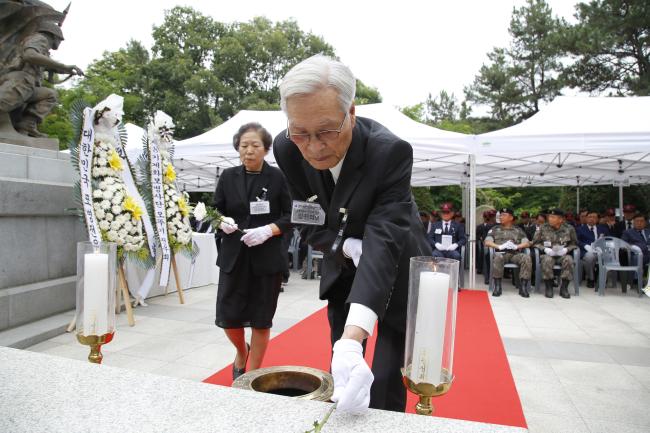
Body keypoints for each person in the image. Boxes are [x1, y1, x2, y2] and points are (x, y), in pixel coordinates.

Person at [272, 54, 431, 413]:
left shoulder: (389, 152)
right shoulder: (286, 147)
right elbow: (308, 218)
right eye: (300, 132)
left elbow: (384, 239)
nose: (313, 147)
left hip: (393, 260)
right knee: (343, 365)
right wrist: (343, 246)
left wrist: (355, 335)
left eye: (326, 131)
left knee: (387, 372)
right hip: (340, 260)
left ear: (352, 112)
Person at [213, 122, 292, 380]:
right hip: (234, 257)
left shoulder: (278, 178)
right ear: (238, 148)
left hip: (266, 259)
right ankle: (240, 350)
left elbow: (292, 215)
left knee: (261, 317)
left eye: (255, 145)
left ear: (266, 149)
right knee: (229, 316)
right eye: (244, 145)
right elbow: (215, 211)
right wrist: (222, 221)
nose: (249, 150)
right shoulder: (227, 177)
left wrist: (270, 230)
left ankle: (253, 374)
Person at [484, 208, 532, 297]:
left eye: (504, 215)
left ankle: (523, 287)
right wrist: (499, 246)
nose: (501, 217)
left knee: (526, 257)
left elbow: (527, 243)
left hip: (515, 254)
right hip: (501, 253)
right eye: (500, 215)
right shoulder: (495, 229)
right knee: (498, 257)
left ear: (511, 218)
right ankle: (498, 286)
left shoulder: (518, 230)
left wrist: (517, 246)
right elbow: (487, 242)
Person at [532, 208, 577, 299]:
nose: (550, 219)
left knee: (569, 260)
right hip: (548, 253)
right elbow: (535, 242)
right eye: (549, 217)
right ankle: (549, 287)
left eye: (553, 217)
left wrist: (566, 250)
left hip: (562, 254)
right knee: (547, 260)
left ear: (560, 219)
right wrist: (545, 249)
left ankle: (564, 288)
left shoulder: (569, 229)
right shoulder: (543, 228)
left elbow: (574, 243)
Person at [576, 211, 609, 289]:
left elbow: (608, 240)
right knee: (589, 257)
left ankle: (603, 279)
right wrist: (585, 246)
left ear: (597, 219)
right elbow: (576, 241)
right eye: (590, 217)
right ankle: (591, 278)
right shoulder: (580, 229)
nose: (592, 219)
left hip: (601, 251)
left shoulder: (603, 229)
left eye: (594, 217)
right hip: (587, 251)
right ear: (586, 219)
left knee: (609, 257)